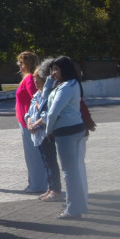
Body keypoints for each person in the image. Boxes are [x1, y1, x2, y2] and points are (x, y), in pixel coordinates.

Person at [43, 56, 88, 219]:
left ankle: (73, 209)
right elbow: (44, 99)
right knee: (73, 170)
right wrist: (49, 81)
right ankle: (78, 205)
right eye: (52, 69)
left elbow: (53, 111)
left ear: (65, 70)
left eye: (56, 69)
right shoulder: (70, 84)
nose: (53, 73)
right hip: (75, 129)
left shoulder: (66, 87)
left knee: (69, 171)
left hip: (66, 131)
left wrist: (48, 129)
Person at [26, 58, 62, 202]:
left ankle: (56, 190)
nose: (34, 82)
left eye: (37, 79)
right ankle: (50, 187)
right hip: (37, 134)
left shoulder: (49, 95)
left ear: (44, 79)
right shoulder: (37, 95)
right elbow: (28, 112)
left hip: (46, 133)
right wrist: (29, 123)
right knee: (46, 162)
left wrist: (35, 125)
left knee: (51, 162)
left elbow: (47, 115)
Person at [14, 52, 47, 194]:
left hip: (30, 123)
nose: (19, 66)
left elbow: (37, 98)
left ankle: (37, 185)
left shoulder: (28, 79)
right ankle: (35, 183)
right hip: (26, 122)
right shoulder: (27, 78)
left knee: (33, 155)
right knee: (32, 155)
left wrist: (36, 120)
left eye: (21, 63)